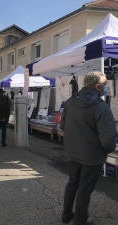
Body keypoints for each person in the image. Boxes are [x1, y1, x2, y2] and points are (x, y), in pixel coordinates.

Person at [60, 71, 117, 225]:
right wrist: (107, 150)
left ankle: (66, 215)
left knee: (73, 183)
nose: (106, 88)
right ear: (97, 86)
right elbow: (108, 137)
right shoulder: (101, 107)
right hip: (92, 155)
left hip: (73, 152)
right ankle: (80, 220)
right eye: (105, 85)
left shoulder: (71, 101)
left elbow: (63, 125)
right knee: (85, 188)